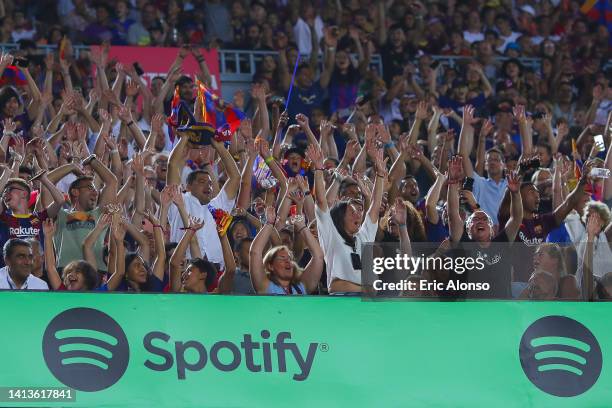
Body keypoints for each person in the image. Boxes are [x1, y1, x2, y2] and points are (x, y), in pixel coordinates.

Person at [308, 131, 385, 294]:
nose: (358, 215)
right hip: (343, 303)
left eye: (358, 211)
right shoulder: (331, 235)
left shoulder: (362, 237)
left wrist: (380, 174)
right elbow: (322, 202)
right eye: (352, 212)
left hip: (367, 305)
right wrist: (318, 169)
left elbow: (375, 207)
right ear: (340, 218)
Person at [447, 155, 523, 298]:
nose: (480, 221)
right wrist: (452, 183)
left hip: (500, 313)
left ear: (493, 230)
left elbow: (516, 218)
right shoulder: (463, 244)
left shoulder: (501, 243)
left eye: (484, 219)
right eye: (475, 220)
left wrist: (515, 193)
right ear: (468, 229)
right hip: (471, 314)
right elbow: (452, 215)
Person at [249, 205, 323, 295]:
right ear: (270, 266)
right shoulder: (264, 286)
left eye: (289, 258)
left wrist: (302, 227)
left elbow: (318, 256)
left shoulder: (302, 285)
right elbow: (255, 253)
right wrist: (268, 224)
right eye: (282, 258)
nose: (287, 261)